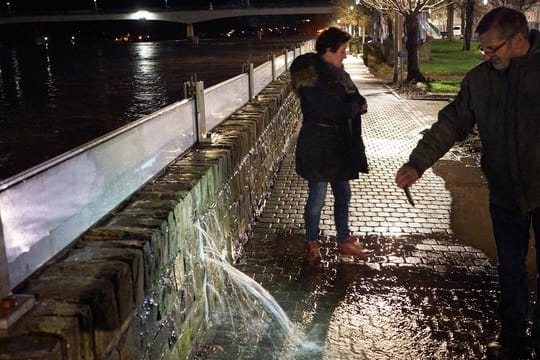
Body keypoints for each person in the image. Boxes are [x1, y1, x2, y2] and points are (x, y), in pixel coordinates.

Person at [395, 7, 540, 358]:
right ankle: (512, 340)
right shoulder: (479, 80)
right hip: (505, 195)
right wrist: (417, 164)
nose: (487, 56)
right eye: (484, 50)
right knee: (509, 268)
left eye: (493, 49)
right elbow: (451, 124)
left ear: (519, 40)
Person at [290, 27, 372, 266]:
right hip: (318, 146)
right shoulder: (312, 78)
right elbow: (334, 111)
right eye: (342, 51)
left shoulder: (338, 73)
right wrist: (356, 107)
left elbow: (355, 96)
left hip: (339, 146)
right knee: (317, 198)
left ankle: (345, 240)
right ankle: (312, 243)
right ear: (329, 50)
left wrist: (359, 102)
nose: (345, 55)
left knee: (343, 194)